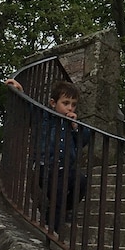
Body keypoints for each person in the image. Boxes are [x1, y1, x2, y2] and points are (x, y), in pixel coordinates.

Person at [35, 80, 91, 224]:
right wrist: (20, 90)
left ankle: (61, 211)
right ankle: (53, 227)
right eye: (65, 103)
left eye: (73, 104)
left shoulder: (71, 124)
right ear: (53, 103)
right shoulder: (46, 118)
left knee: (81, 182)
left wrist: (75, 126)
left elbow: (84, 139)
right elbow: (31, 109)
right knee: (58, 193)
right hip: (46, 167)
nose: (70, 108)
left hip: (65, 168)